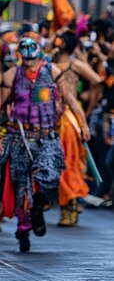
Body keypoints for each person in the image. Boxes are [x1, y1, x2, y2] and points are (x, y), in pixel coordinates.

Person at [0, 31, 89, 252]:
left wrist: (83, 124)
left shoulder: (53, 71)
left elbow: (70, 98)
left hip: (47, 137)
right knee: (21, 184)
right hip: (20, 137)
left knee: (49, 174)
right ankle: (23, 226)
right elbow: (1, 109)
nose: (28, 53)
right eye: (24, 47)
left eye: (32, 47)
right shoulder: (12, 75)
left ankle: (39, 207)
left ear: (40, 48)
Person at [52, 30, 102, 226]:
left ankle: (70, 206)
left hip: (68, 118)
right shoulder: (49, 63)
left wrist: (88, 107)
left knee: (69, 161)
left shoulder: (74, 64)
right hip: (50, 118)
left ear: (64, 43)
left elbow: (97, 81)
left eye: (58, 39)